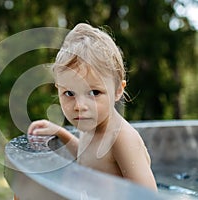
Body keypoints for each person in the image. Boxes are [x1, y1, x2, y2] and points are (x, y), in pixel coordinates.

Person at [27, 23, 157, 191]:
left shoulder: (121, 138)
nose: (80, 106)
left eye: (94, 92)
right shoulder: (90, 127)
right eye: (69, 93)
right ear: (58, 89)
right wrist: (62, 134)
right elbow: (88, 159)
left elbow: (149, 196)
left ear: (118, 90)